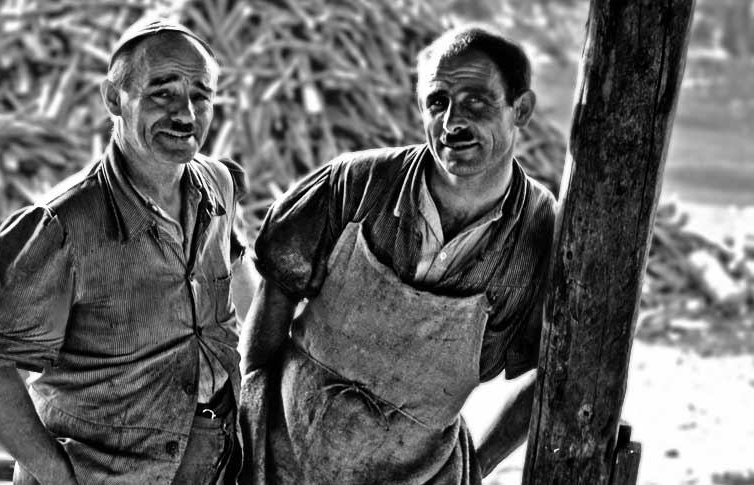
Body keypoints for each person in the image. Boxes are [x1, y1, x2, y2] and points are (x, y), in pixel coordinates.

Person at [238, 24, 557, 483]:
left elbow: (554, 373)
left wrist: (477, 467)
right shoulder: (354, 184)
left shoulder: (541, 237)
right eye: (438, 102)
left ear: (520, 109)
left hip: (417, 474)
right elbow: (273, 299)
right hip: (284, 452)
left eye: (476, 102)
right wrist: (253, 433)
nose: (452, 123)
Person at [0, 17, 250, 484]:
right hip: (105, 472)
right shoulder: (58, 228)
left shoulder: (217, 184)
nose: (186, 115)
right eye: (162, 92)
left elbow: (234, 280)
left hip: (209, 457)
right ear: (114, 99)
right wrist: (58, 475)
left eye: (200, 95)